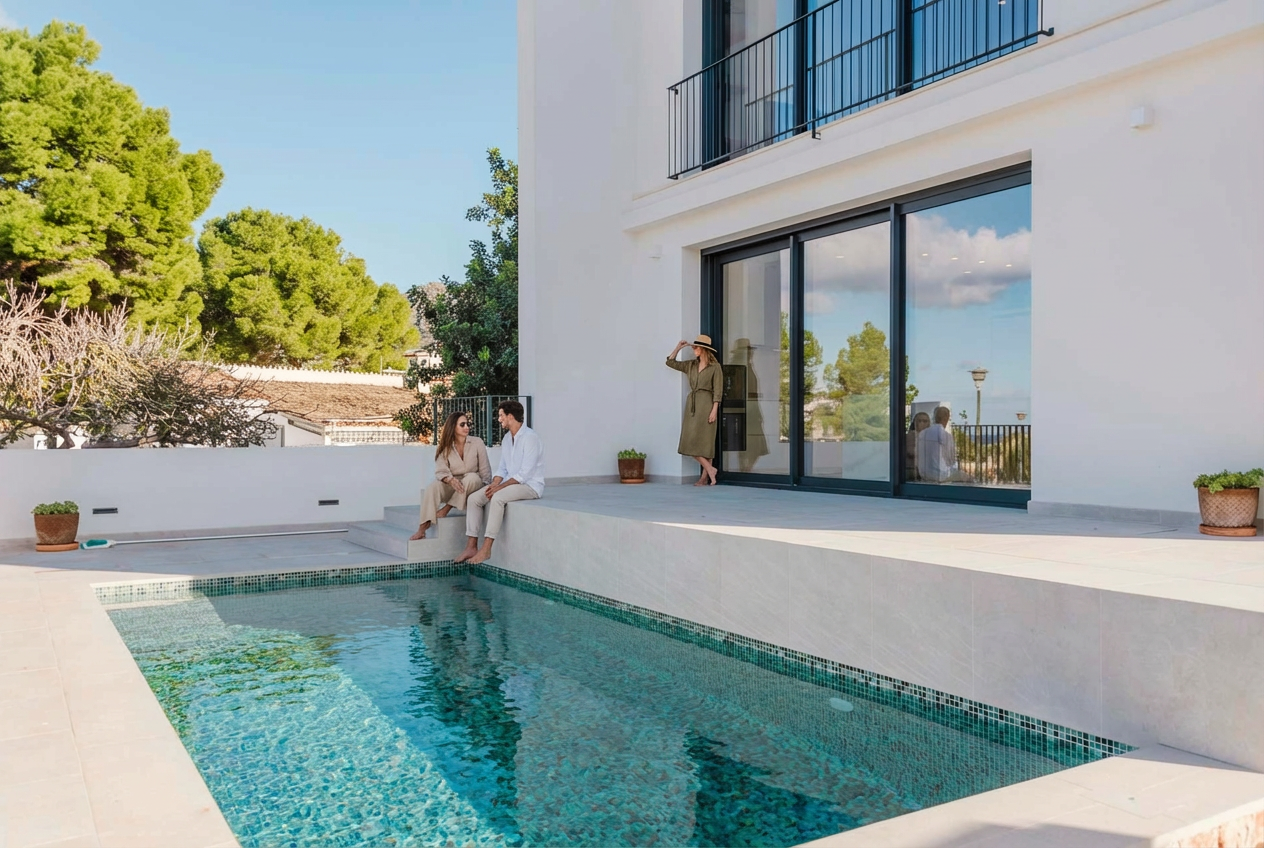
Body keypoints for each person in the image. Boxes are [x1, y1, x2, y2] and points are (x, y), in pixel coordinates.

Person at [457, 400, 543, 565]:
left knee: (497, 498)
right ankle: (471, 546)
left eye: (501, 415)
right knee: (474, 499)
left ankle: (487, 548)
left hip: (530, 486)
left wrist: (500, 487)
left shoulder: (531, 438)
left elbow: (525, 474)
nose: (499, 419)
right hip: (510, 483)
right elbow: (502, 468)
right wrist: (495, 483)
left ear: (510, 416)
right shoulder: (506, 438)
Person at [411, 412, 491, 541]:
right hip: (454, 483)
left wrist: (487, 485)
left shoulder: (477, 442)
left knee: (471, 478)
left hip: (474, 483)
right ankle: (422, 527)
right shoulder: (445, 447)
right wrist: (450, 479)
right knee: (433, 487)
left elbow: (485, 469)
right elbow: (441, 471)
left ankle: (446, 508)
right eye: (462, 424)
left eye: (467, 424)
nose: (467, 427)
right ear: (453, 427)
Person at [666, 334, 724, 486]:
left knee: (706, 442)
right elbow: (670, 362)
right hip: (692, 405)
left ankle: (705, 477)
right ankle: (711, 469)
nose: (693, 350)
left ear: (704, 349)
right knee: (689, 441)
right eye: (693, 347)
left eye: (695, 347)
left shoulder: (715, 367)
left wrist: (714, 410)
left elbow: (718, 391)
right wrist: (678, 347)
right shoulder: (691, 365)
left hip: (707, 404)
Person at [916, 406, 958, 483]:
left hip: (923, 474)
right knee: (967, 478)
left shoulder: (922, 434)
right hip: (940, 475)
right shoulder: (946, 436)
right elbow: (951, 460)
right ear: (946, 418)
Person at [905, 411, 931, 481]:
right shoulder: (911, 435)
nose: (922, 423)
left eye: (925, 421)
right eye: (920, 421)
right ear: (915, 423)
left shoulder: (928, 436)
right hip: (911, 470)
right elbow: (911, 452)